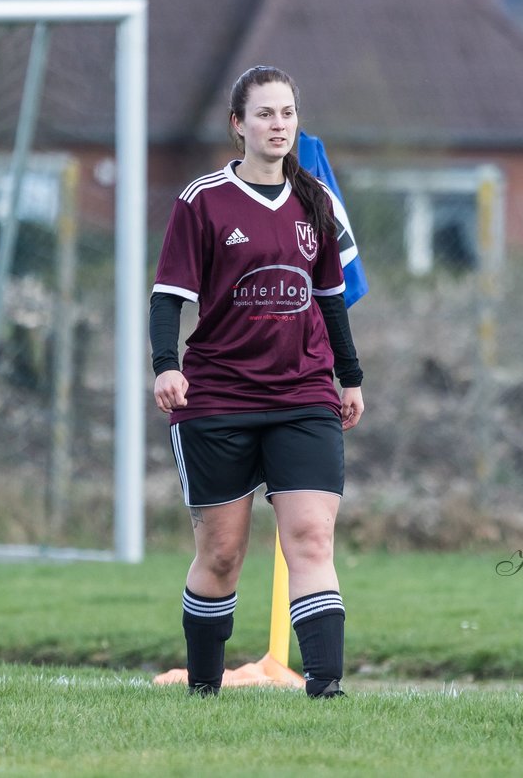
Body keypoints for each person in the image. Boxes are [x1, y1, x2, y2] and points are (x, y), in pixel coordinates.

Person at [149, 65, 365, 698]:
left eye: (288, 113)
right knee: (222, 552)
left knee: (311, 534)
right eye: (266, 114)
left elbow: (329, 298)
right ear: (238, 124)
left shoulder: (315, 201)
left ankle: (325, 688)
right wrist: (167, 364)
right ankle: (205, 691)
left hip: (303, 395)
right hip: (217, 397)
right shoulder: (202, 200)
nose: (279, 125)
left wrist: (348, 378)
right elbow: (168, 297)